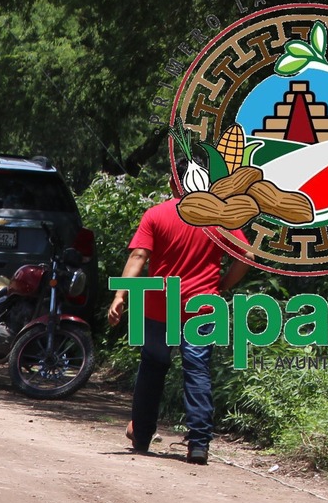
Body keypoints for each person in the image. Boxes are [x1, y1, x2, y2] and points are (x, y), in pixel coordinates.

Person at [106, 197, 250, 465]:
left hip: (159, 306)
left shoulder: (156, 214)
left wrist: (120, 296)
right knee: (197, 370)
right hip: (203, 307)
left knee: (152, 367)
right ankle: (198, 445)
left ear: (174, 182)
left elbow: (139, 255)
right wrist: (223, 286)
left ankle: (142, 436)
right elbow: (246, 256)